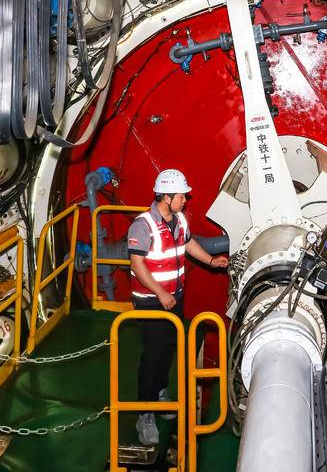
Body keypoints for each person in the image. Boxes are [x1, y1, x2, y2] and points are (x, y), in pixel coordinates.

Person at [127, 168, 229, 446]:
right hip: (151, 301)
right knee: (153, 354)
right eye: (181, 196)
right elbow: (137, 264)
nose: (185, 200)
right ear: (166, 197)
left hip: (174, 298)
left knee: (169, 348)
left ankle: (159, 392)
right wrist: (160, 293)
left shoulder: (179, 220)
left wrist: (211, 261)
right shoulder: (143, 225)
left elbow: (189, 243)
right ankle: (144, 413)